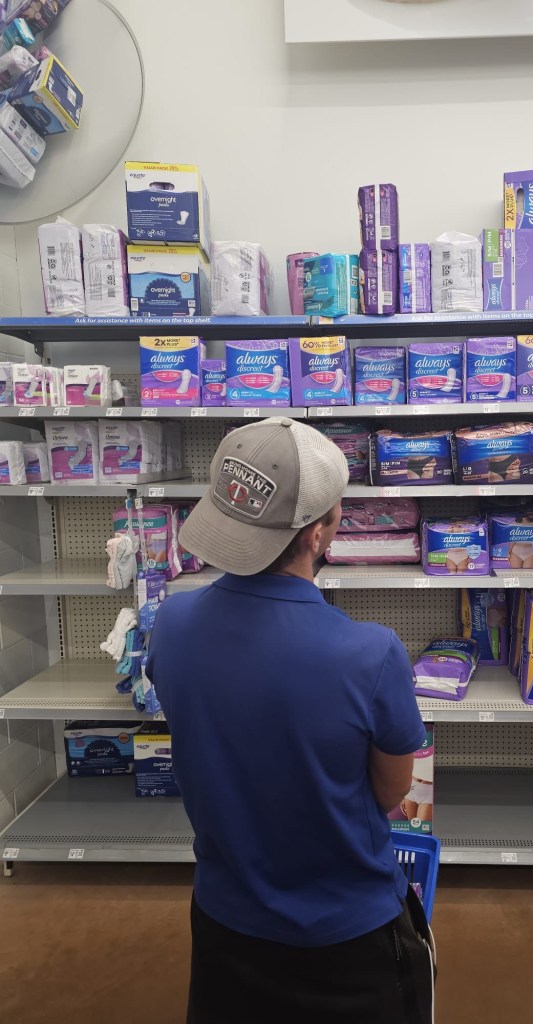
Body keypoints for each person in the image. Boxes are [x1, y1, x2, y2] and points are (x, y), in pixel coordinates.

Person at [146, 417, 435, 1023]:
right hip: (347, 932)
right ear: (319, 532)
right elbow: (391, 791)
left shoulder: (172, 625)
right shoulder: (370, 653)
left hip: (226, 920)